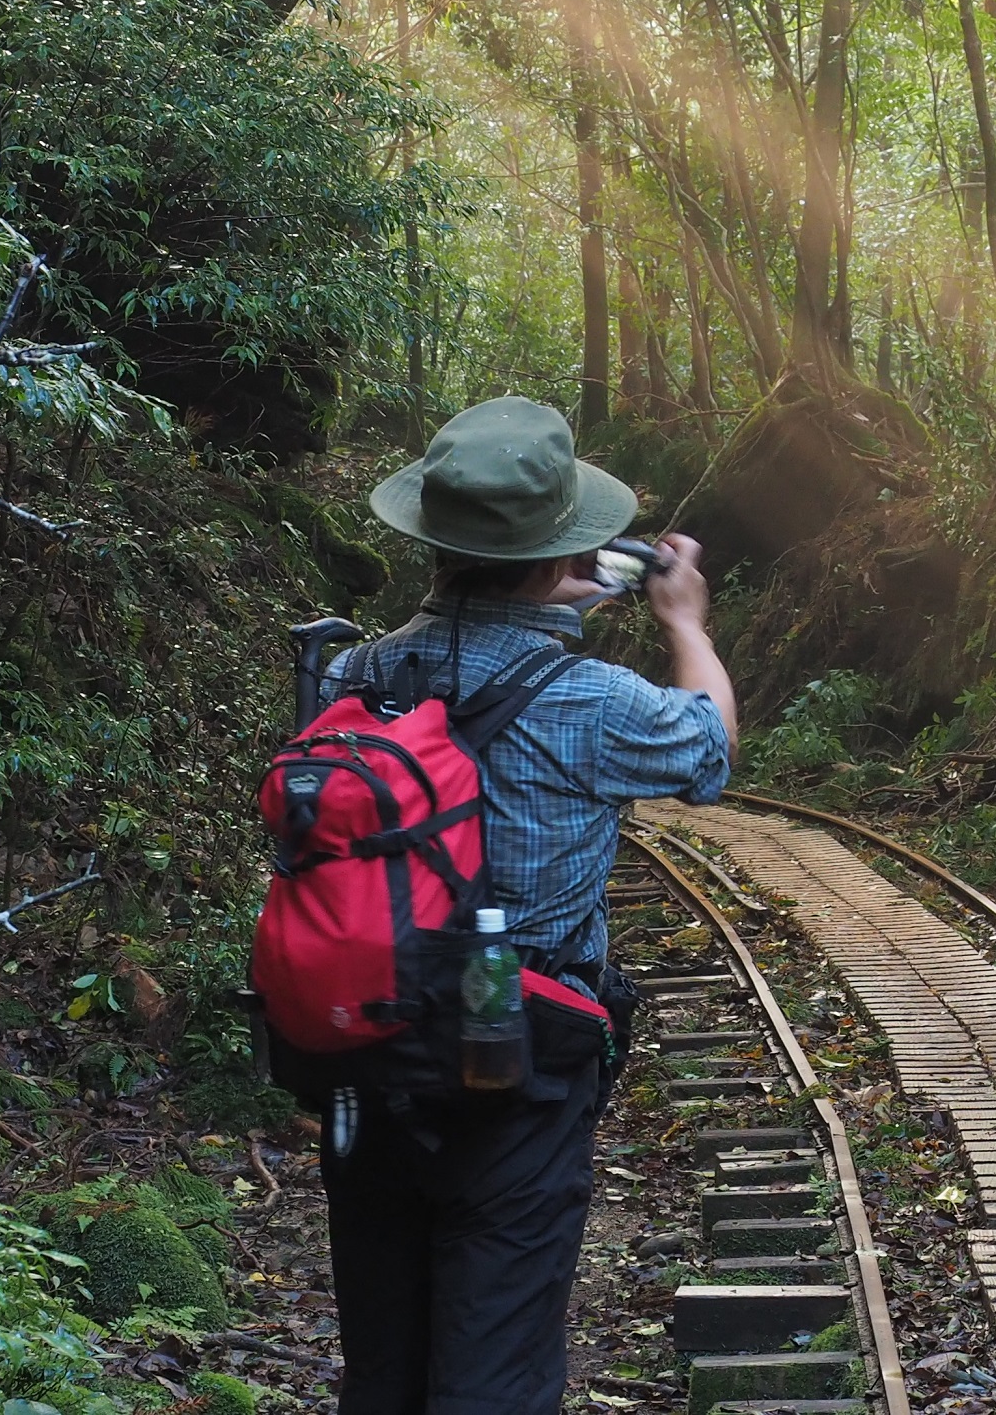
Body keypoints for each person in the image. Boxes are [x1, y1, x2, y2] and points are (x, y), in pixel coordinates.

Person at [318, 395, 738, 1415]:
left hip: (366, 1056)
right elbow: (707, 749)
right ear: (561, 555)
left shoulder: (351, 673)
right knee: (494, 1365)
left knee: (385, 1361)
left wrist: (547, 602)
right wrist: (682, 622)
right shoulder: (593, 698)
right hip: (517, 1061)